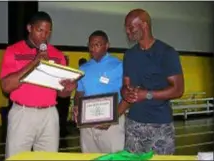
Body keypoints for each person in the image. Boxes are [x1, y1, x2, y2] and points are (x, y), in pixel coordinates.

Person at [0, 11, 77, 158]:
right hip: (23, 113)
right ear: (29, 28)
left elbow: (61, 93)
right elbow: (5, 86)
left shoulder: (57, 54)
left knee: (48, 157)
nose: (44, 35)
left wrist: (67, 89)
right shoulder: (13, 51)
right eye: (40, 30)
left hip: (49, 114)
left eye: (48, 32)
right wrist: (34, 63)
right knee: (16, 158)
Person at [118, 9, 184, 155]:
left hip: (160, 125)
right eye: (126, 28)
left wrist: (147, 94)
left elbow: (178, 89)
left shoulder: (167, 53)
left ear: (144, 25)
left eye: (131, 27)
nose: (128, 32)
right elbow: (126, 85)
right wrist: (125, 92)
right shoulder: (129, 55)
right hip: (134, 124)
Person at [73, 30, 125, 153]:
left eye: (97, 44)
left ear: (107, 46)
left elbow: (127, 94)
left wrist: (114, 116)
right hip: (87, 124)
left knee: (113, 156)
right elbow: (79, 93)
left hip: (112, 123)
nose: (92, 48)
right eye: (90, 45)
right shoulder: (83, 68)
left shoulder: (119, 65)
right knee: (89, 156)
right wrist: (76, 106)